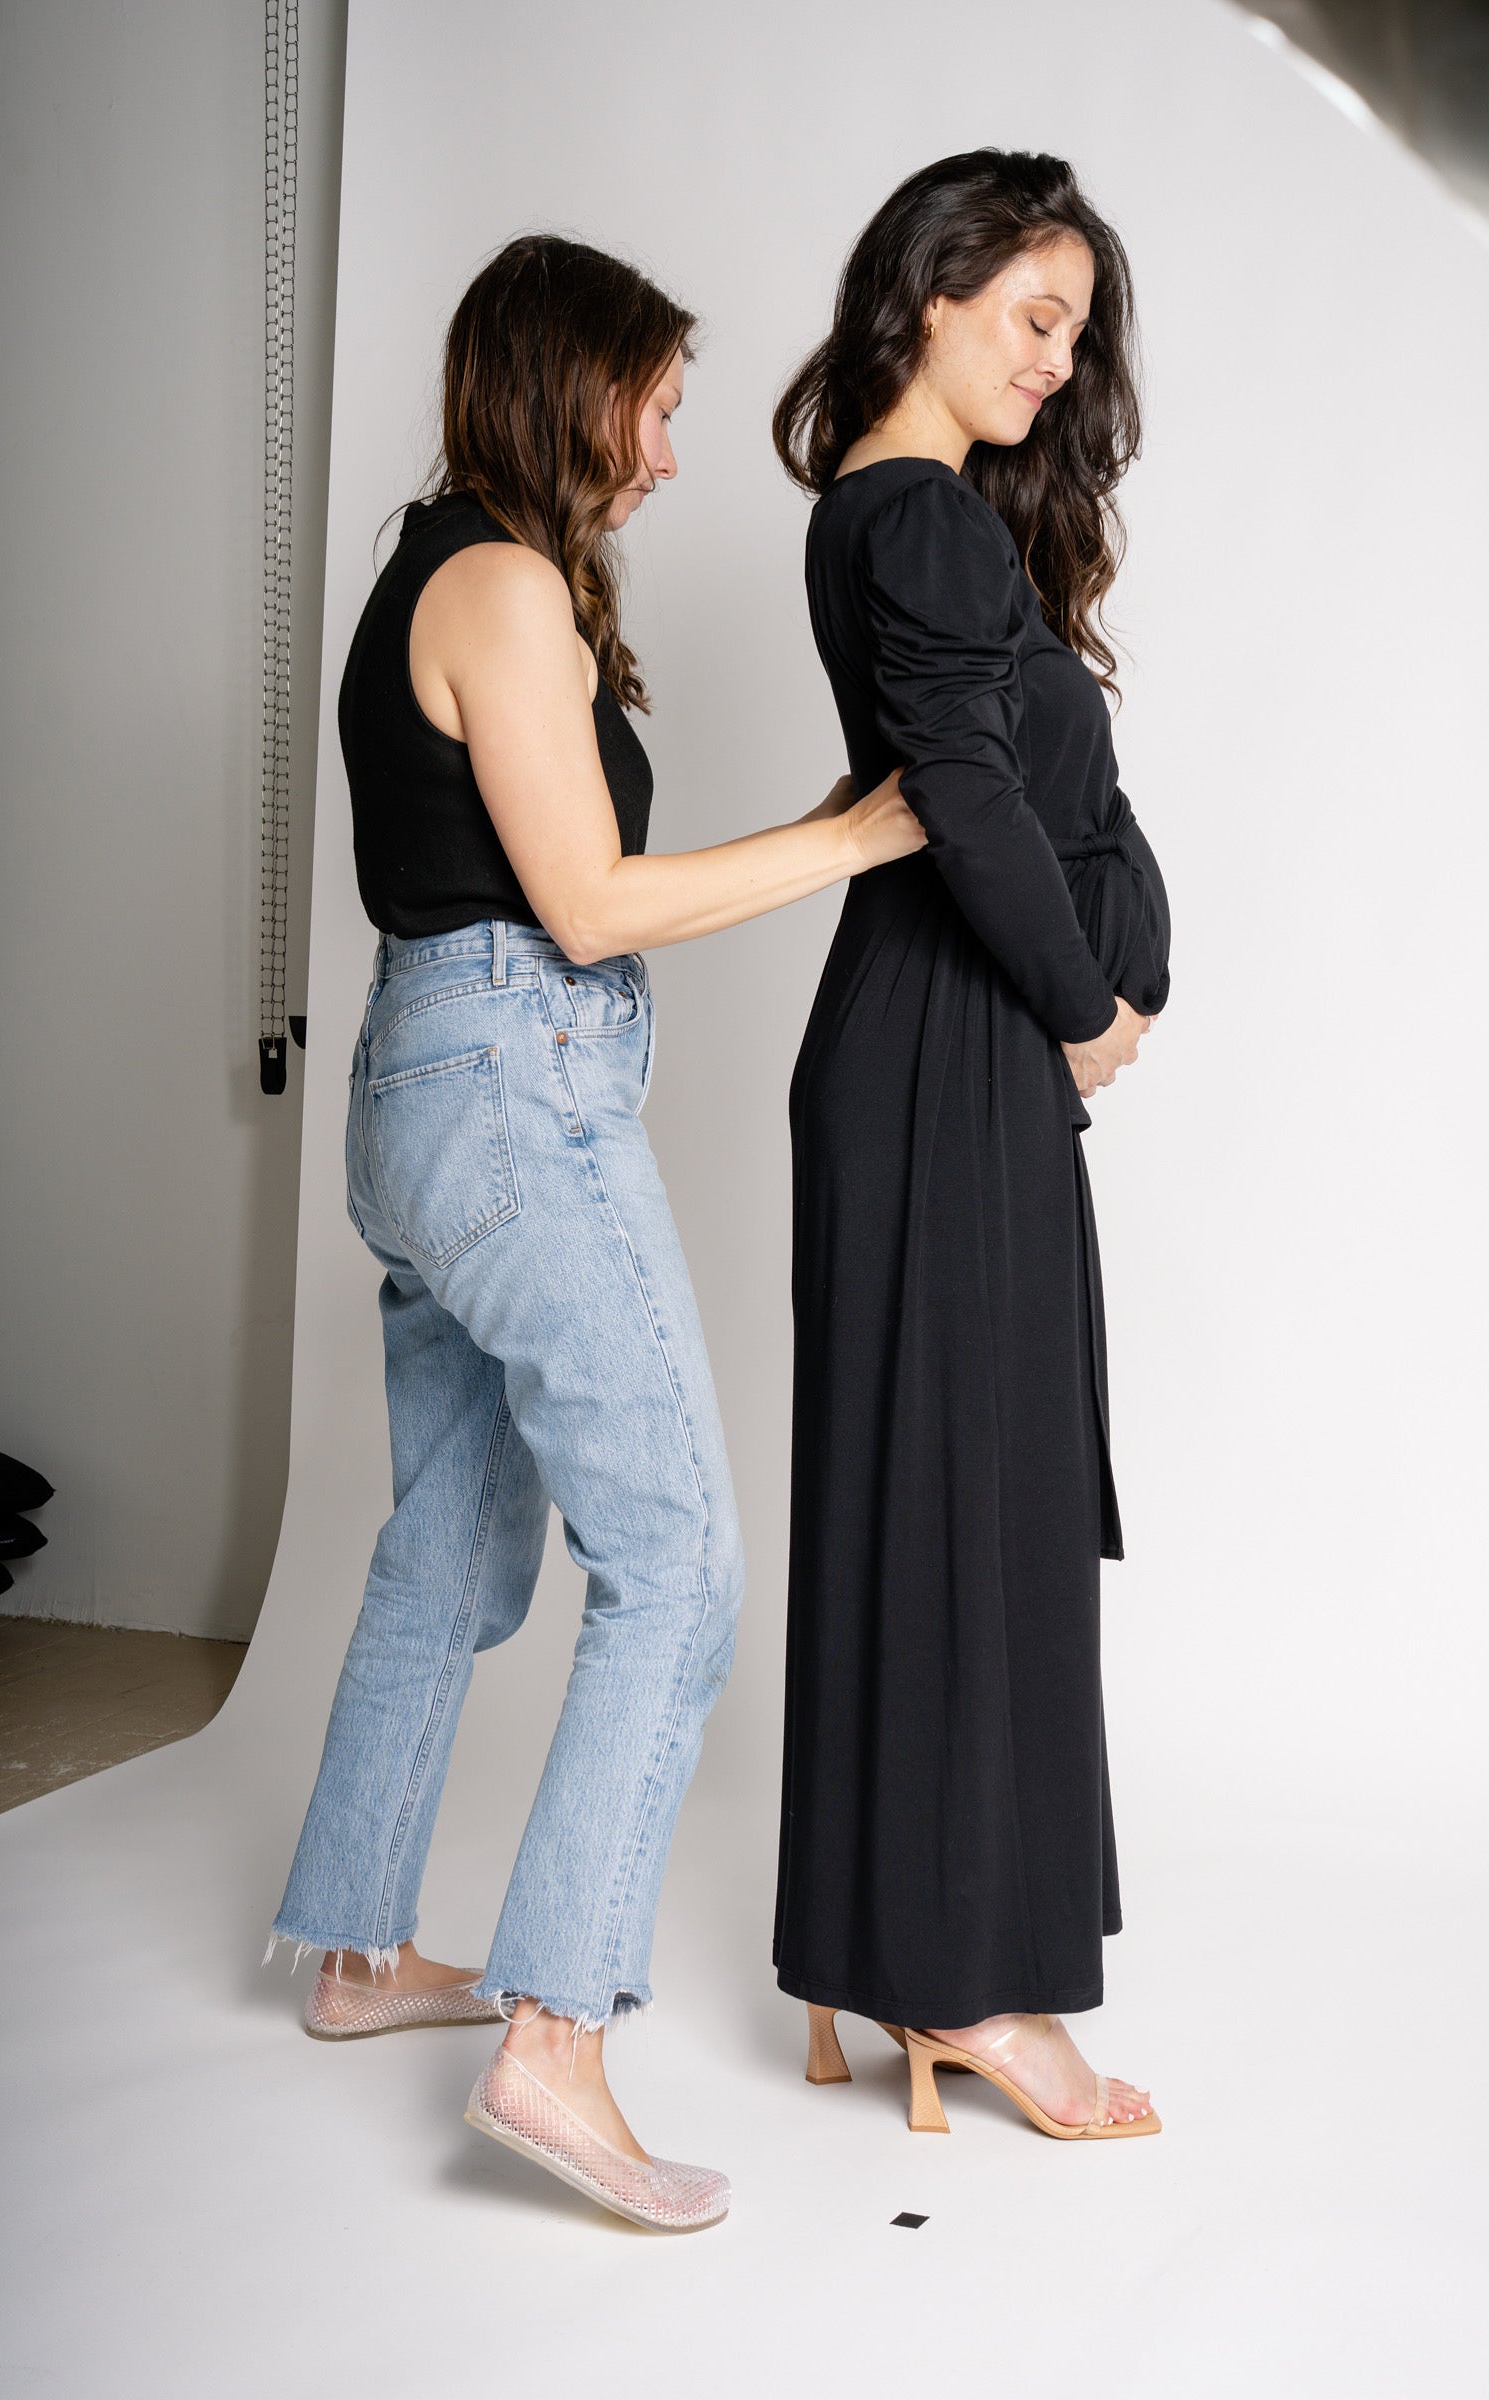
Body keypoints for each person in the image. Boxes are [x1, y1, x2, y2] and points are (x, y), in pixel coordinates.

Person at [267, 233, 922, 2233]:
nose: (667, 451)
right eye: (654, 405)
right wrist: (848, 837)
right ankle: (555, 2045)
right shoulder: (502, 585)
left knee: (453, 1546)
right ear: (572, 384)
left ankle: (357, 1946)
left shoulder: (430, 568)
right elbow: (589, 904)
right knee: (683, 1565)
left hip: (419, 1089)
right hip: (510, 1090)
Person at [772, 151, 1169, 2141]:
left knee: (934, 1503)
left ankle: (886, 1954)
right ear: (930, 290)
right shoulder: (915, 514)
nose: (1055, 360)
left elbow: (1021, 781)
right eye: (1032, 314)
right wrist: (1090, 1006)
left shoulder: (909, 514)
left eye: (1074, 333)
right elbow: (974, 802)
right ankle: (977, 1989)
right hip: (951, 1051)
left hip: (930, 1049)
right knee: (971, 1517)